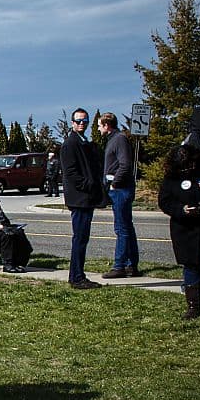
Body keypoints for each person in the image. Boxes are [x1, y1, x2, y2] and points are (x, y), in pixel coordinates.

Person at [158, 143, 200, 324]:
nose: (187, 169)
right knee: (190, 266)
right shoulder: (172, 178)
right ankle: (193, 306)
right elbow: (165, 202)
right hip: (185, 229)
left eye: (190, 165)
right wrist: (182, 210)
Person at [60, 108, 106, 289]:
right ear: (72, 122)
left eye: (85, 121)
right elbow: (71, 173)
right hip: (79, 199)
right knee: (79, 238)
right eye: (78, 121)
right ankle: (77, 277)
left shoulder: (84, 142)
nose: (81, 124)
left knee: (82, 238)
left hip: (86, 198)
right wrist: (89, 185)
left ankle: (77, 275)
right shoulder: (70, 144)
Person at [98, 112, 141, 278]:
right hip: (119, 189)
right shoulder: (113, 140)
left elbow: (125, 165)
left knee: (121, 228)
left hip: (121, 190)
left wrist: (115, 182)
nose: (99, 128)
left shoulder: (119, 139)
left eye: (100, 125)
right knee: (126, 227)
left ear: (107, 125)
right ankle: (131, 265)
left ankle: (120, 266)